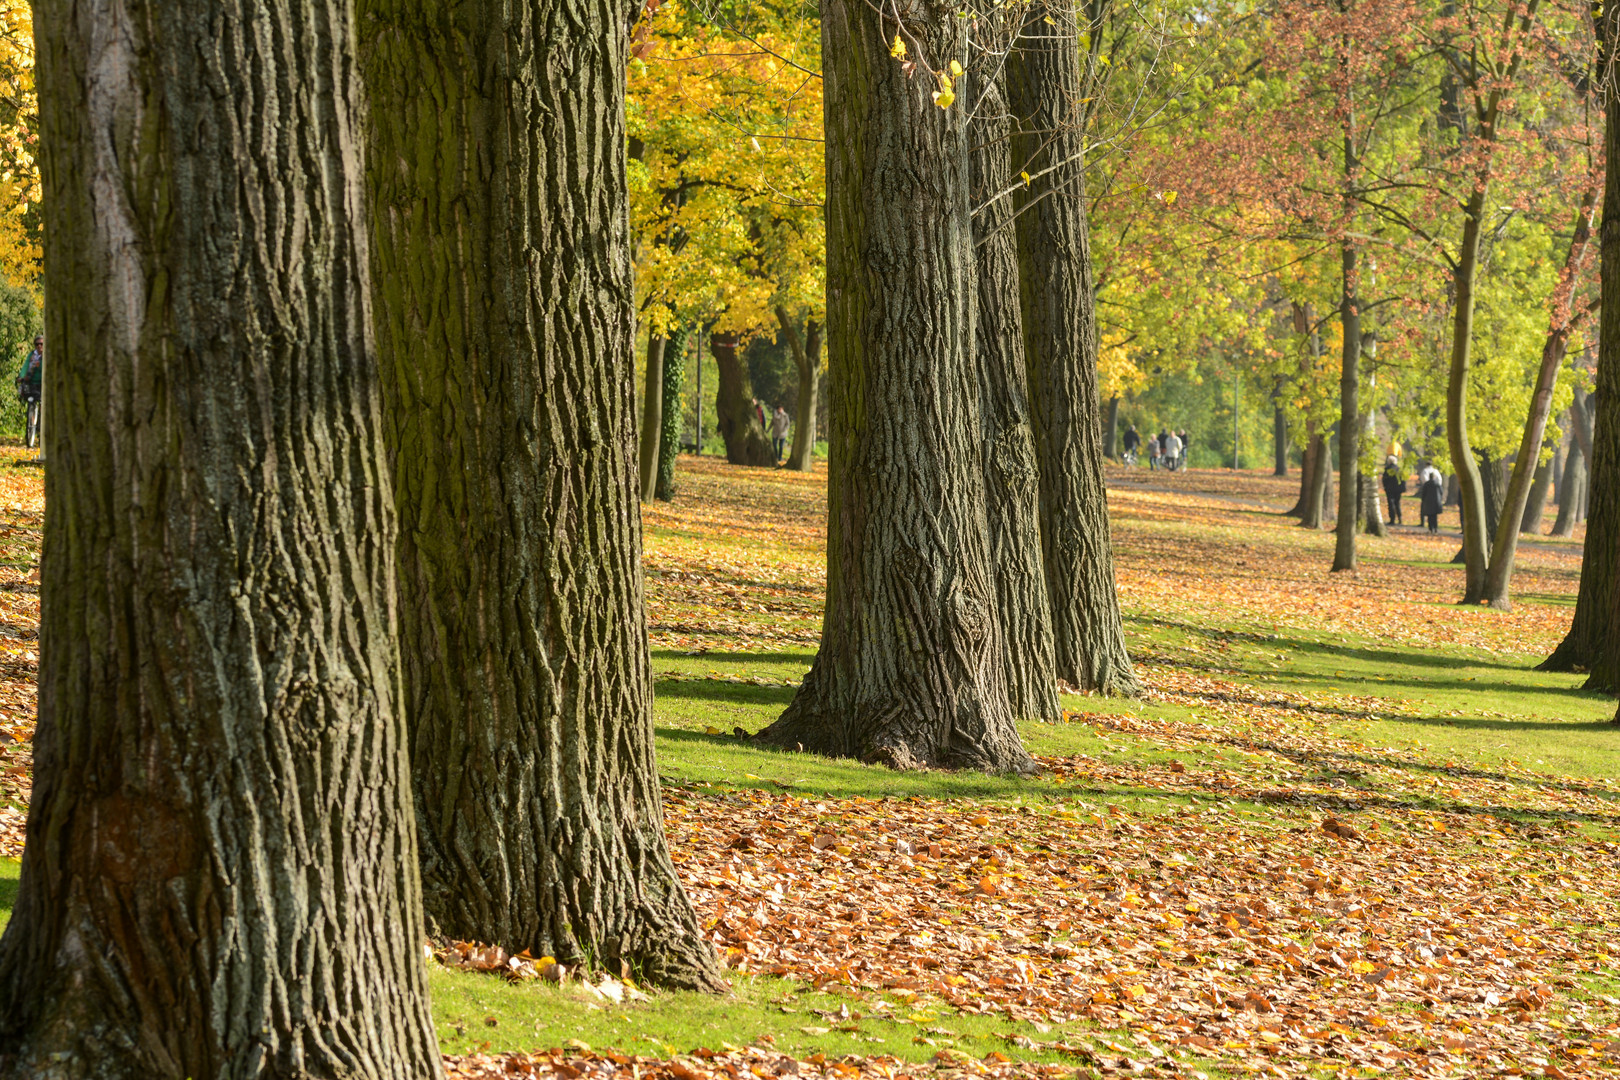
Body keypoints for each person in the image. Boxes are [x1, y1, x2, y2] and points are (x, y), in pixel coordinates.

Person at [1418, 461, 1444, 534]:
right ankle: (1435, 528)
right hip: (1436, 501)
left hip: (1428, 501)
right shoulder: (1437, 484)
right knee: (1434, 516)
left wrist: (1423, 499)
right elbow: (1441, 492)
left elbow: (1423, 493)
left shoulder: (1426, 484)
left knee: (1429, 516)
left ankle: (1430, 528)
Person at [1381, 456, 1406, 525]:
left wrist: (1385, 487)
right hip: (1398, 490)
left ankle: (1392, 519)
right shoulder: (1399, 469)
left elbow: (1384, 480)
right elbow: (1403, 480)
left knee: (1391, 504)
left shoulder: (1387, 469)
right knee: (1397, 503)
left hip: (1390, 489)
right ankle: (1400, 518)